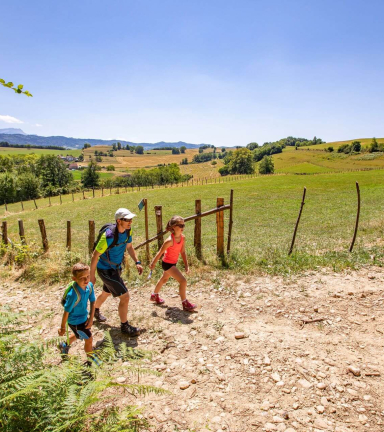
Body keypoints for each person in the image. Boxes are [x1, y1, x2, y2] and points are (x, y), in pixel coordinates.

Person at [90, 208, 145, 337]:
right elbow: (95, 255)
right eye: (127, 220)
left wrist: (137, 262)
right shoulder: (108, 236)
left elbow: (129, 247)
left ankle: (94, 311)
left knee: (106, 293)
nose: (130, 222)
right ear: (119, 221)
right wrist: (92, 275)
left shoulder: (127, 231)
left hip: (116, 268)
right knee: (125, 297)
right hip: (105, 270)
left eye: (131, 219)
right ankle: (124, 326)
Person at [149, 215, 196, 311]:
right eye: (180, 225)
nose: (183, 227)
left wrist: (187, 266)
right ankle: (185, 303)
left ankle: (154, 295)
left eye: (183, 225)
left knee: (164, 280)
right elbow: (160, 252)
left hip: (173, 263)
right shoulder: (169, 241)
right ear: (173, 227)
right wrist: (153, 263)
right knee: (183, 281)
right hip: (167, 264)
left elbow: (182, 252)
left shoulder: (183, 238)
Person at [58, 263, 95, 357]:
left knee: (78, 334)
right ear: (74, 279)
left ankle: (64, 345)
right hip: (75, 321)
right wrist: (62, 328)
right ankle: (91, 360)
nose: (86, 280)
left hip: (84, 317)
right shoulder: (73, 294)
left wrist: (91, 319)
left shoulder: (89, 286)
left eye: (88, 276)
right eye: (82, 278)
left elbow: (93, 302)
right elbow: (66, 312)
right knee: (89, 339)